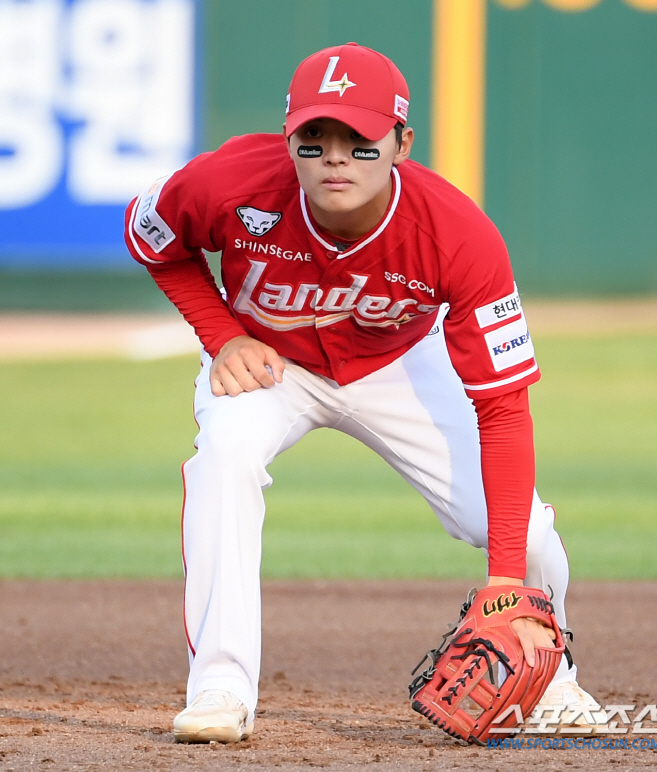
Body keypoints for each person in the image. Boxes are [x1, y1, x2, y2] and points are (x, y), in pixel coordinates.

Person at [124, 42, 605, 744]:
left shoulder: (459, 235)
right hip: (269, 366)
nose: (335, 158)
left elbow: (502, 408)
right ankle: (221, 687)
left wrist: (505, 580)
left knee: (523, 529)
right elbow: (152, 237)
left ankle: (550, 676)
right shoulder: (230, 181)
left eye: (360, 141)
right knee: (223, 458)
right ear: (288, 140)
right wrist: (221, 334)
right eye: (314, 140)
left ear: (404, 143)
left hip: (400, 363)